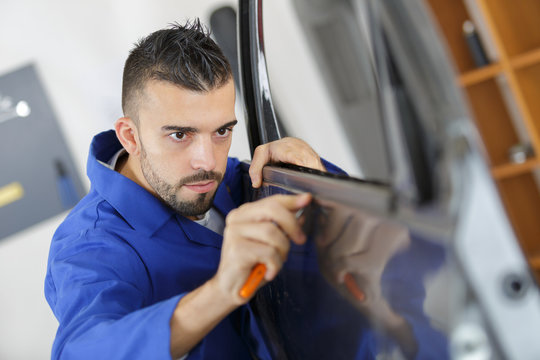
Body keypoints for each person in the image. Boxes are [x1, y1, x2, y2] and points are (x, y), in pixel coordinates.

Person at [44, 20, 340, 359]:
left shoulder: (236, 180)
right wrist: (221, 292)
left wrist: (314, 174)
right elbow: (84, 352)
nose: (207, 161)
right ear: (130, 136)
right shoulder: (89, 245)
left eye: (221, 132)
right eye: (180, 135)